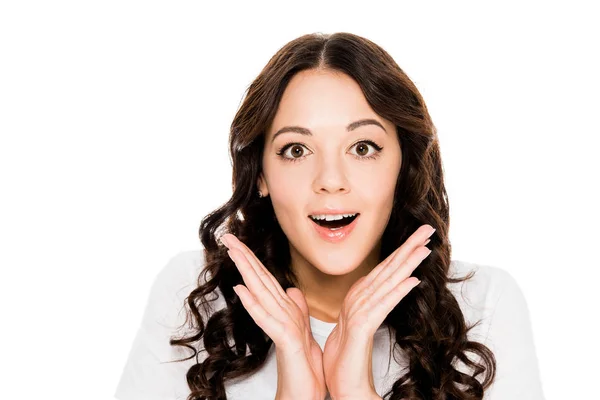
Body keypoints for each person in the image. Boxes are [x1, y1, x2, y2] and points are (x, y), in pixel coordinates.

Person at [114, 32, 545, 400]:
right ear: (261, 173)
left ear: (402, 164)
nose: (331, 181)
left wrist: (355, 389)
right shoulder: (195, 295)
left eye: (362, 148)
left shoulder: (485, 304)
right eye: (296, 150)